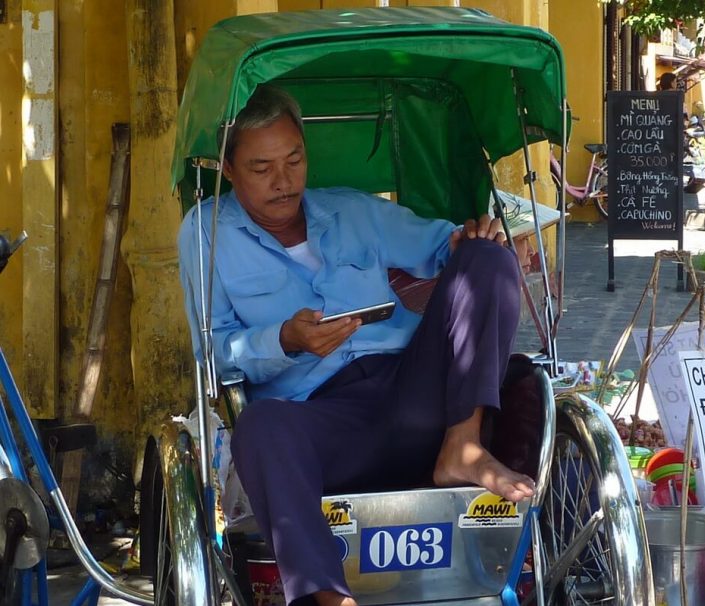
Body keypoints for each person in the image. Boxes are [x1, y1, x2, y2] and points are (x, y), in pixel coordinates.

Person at [178, 85, 537, 606]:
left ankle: (463, 446)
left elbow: (442, 244)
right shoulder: (205, 234)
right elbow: (213, 354)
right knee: (258, 427)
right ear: (229, 170)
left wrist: (471, 240)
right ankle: (330, 597)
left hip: (417, 395)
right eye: (262, 168)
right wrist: (285, 338)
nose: (284, 181)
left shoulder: (350, 210)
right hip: (325, 420)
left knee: (488, 259)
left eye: (295, 160)